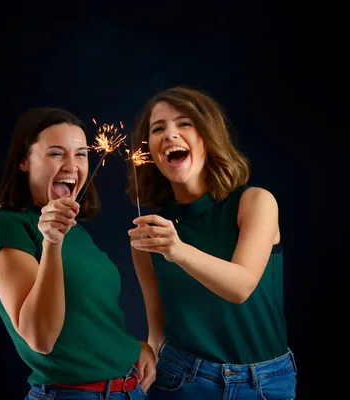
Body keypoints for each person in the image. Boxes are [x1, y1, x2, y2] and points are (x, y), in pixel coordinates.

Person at [126, 86, 296, 399]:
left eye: (184, 123)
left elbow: (241, 286)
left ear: (208, 135)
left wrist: (178, 252)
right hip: (181, 378)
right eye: (158, 128)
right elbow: (157, 326)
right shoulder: (151, 234)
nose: (170, 134)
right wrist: (148, 353)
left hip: (267, 382)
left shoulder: (255, 202)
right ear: (148, 150)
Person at [0, 107, 156, 400]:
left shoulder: (77, 232)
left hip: (129, 390)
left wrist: (134, 347)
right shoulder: (7, 227)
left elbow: (87, 320)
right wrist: (51, 243)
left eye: (82, 154)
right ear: (24, 161)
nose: (72, 166)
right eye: (56, 153)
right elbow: (41, 339)